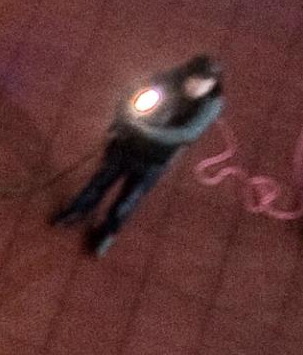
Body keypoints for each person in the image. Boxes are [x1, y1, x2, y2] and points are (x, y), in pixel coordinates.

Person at [51, 55, 226, 257]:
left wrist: (144, 130)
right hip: (125, 147)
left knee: (128, 200)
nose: (199, 88)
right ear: (188, 74)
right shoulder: (166, 81)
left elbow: (187, 133)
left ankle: (107, 232)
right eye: (196, 80)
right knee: (99, 182)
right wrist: (120, 122)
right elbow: (130, 97)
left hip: (154, 161)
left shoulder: (211, 104)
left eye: (206, 84)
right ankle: (78, 210)